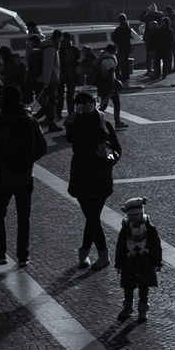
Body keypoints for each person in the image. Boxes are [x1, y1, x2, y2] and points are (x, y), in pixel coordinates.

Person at [0, 86, 47, 270]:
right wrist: (28, 161)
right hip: (26, 176)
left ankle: (0, 253)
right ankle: (23, 255)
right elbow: (42, 146)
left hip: (4, 177)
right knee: (23, 216)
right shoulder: (30, 120)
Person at [66, 92, 121, 271]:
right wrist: (77, 116)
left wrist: (108, 159)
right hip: (82, 176)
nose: (88, 105)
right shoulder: (76, 122)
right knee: (92, 217)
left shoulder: (103, 122)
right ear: (78, 106)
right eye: (83, 103)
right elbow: (71, 137)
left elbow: (117, 149)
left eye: (90, 102)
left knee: (92, 217)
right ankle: (97, 255)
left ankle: (89, 254)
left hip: (100, 176)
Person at [114, 197, 163, 322]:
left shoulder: (149, 228)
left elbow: (156, 246)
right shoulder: (125, 229)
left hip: (145, 263)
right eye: (131, 215)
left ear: (142, 213)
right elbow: (120, 247)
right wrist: (119, 263)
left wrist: (157, 262)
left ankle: (142, 310)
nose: (134, 217)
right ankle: (128, 307)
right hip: (128, 263)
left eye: (136, 214)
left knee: (143, 287)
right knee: (128, 286)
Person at [94, 44, 125, 128]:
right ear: (113, 50)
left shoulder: (103, 58)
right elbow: (109, 75)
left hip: (104, 85)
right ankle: (115, 122)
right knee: (107, 105)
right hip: (108, 86)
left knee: (106, 104)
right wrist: (111, 87)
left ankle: (101, 122)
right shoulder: (109, 60)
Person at [112, 15, 134, 84]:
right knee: (125, 61)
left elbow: (114, 38)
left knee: (119, 62)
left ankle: (120, 76)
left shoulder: (118, 29)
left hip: (120, 47)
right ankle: (126, 75)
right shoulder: (128, 28)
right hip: (127, 47)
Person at [163, 5, 175, 71]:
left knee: (169, 51)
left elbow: (166, 27)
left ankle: (169, 67)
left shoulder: (167, 18)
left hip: (169, 36)